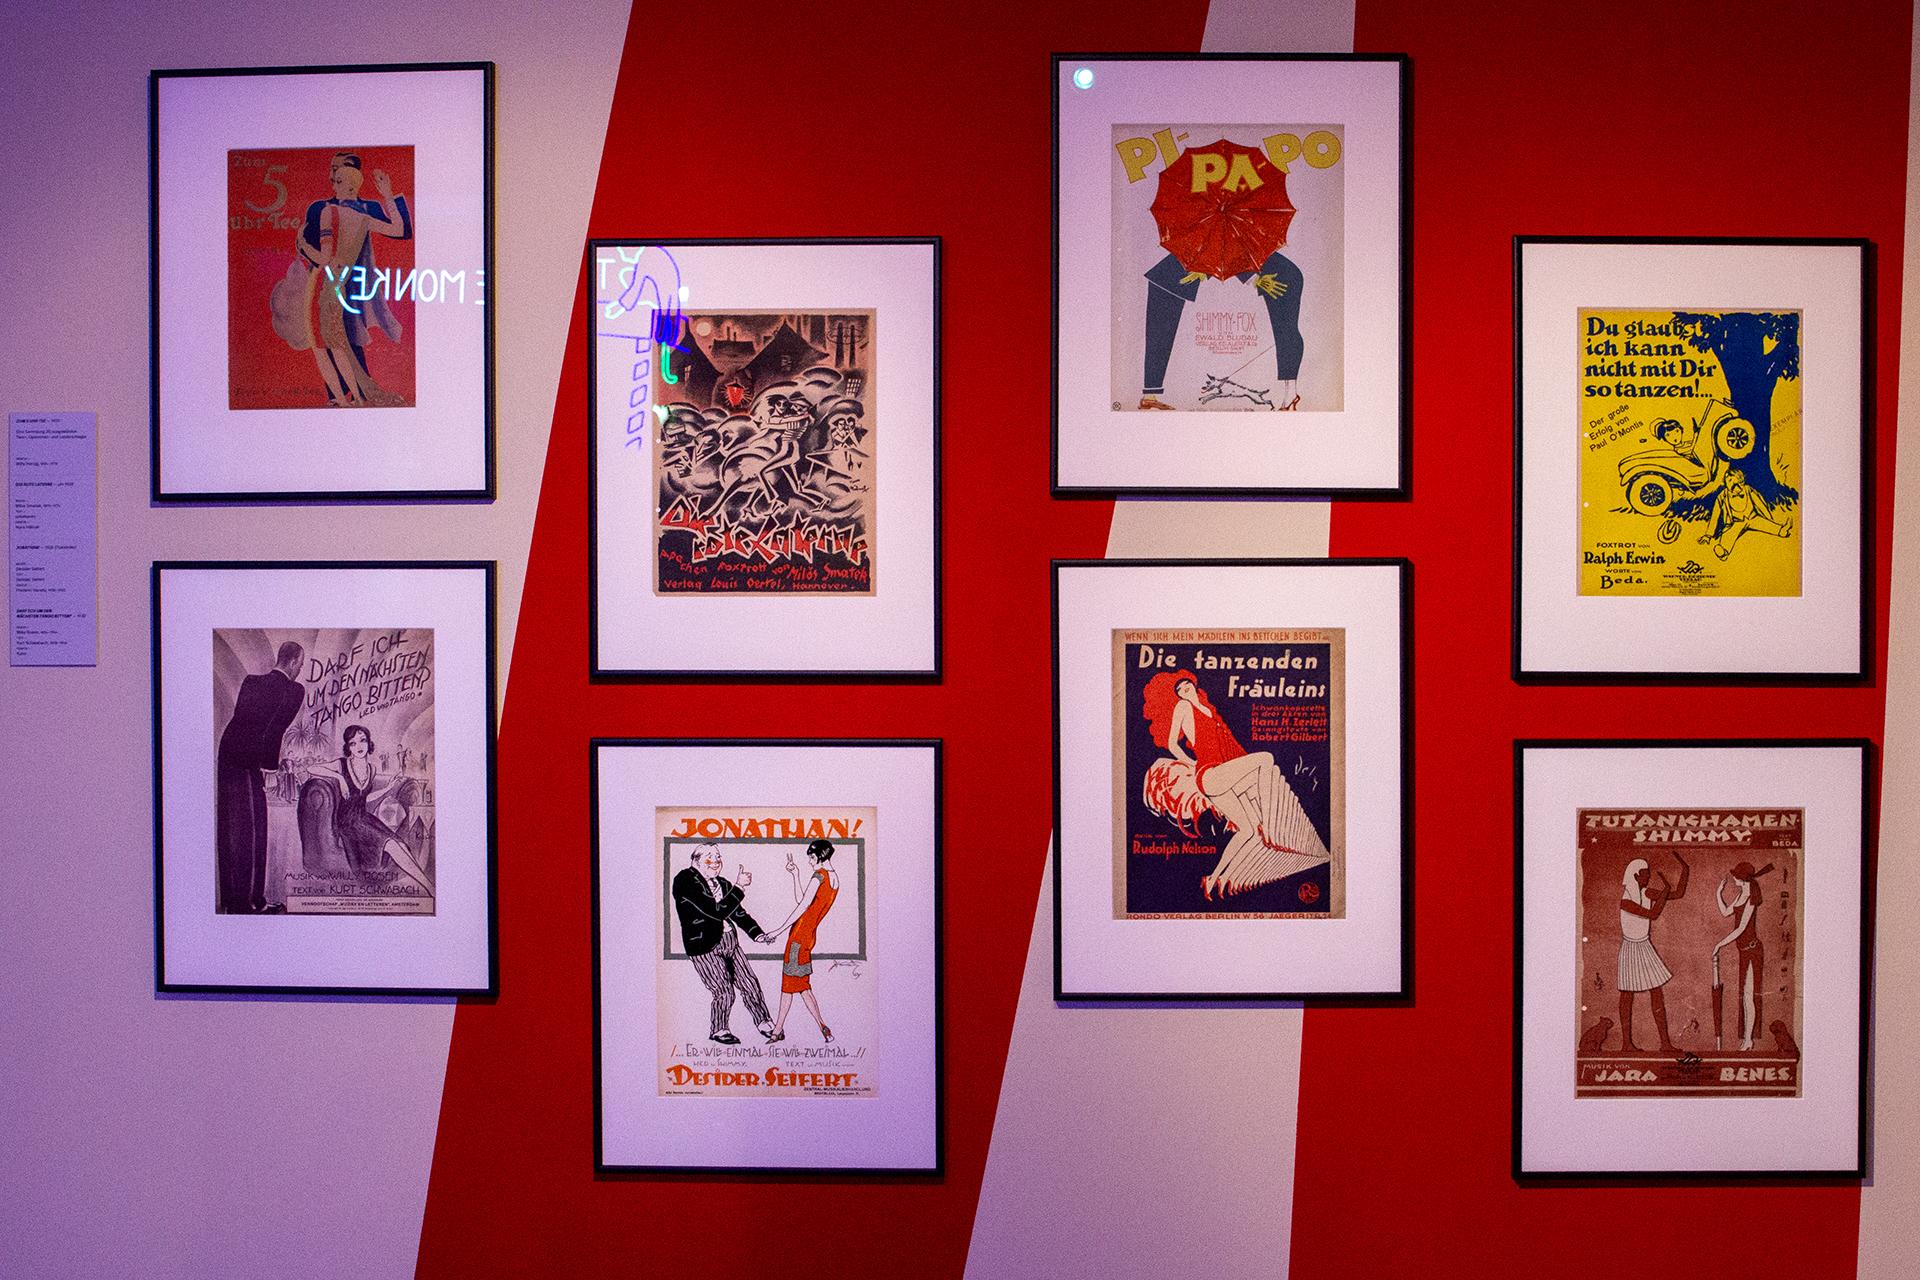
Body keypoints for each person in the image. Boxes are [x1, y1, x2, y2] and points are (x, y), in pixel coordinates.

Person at [1140, 669, 1329, 899]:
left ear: (1195, 686)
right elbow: (1172, 744)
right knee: (1265, 758)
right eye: (1179, 689)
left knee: (1249, 831)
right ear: (1178, 695)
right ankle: (1272, 828)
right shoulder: (1183, 707)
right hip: (1209, 775)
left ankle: (1214, 878)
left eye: (1187, 684)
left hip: (1221, 776)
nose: (1183, 689)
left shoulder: (1208, 711)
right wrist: (1193, 763)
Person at [270, 152, 412, 407]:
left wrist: (302, 245)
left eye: (338, 176)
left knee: (333, 345)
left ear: (349, 182)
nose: (332, 181)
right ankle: (347, 398)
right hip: (339, 285)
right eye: (333, 174)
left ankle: (350, 399)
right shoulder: (344, 213)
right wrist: (388, 196)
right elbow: (398, 228)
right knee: (334, 344)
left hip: (337, 285)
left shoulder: (339, 210)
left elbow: (323, 257)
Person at [1137, 250, 1304, 411]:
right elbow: (1225, 257)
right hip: (1168, 280)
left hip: (1282, 279)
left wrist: (1252, 279)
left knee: (1285, 332)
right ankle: (1149, 395)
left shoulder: (1237, 250)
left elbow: (1230, 257)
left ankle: (1291, 395)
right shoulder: (1201, 254)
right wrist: (1207, 271)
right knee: (1158, 333)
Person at [215, 642, 307, 913]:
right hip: (248, 761)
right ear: (293, 662)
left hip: (228, 754)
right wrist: (270, 770)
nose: (300, 670)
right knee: (251, 830)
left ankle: (237, 901)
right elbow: (275, 729)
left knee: (232, 827)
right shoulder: (294, 690)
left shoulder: (251, 681)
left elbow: (245, 721)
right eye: (300, 665)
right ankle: (250, 904)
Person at [303, 725, 435, 898]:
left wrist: (388, 788)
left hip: (364, 818)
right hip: (348, 823)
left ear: (368, 743)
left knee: (401, 845)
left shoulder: (371, 769)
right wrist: (339, 777)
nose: (359, 746)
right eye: (353, 743)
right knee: (392, 845)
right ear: (348, 747)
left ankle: (428, 885)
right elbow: (311, 768)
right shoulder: (341, 764)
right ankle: (429, 888)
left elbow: (365, 799)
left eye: (362, 740)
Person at [670, 843, 775, 1045]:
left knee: (750, 984)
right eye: (710, 857)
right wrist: (740, 888)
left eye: (718, 857)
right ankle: (719, 1030)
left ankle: (764, 1023)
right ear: (696, 861)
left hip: (730, 941)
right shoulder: (685, 880)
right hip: (704, 946)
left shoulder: (723, 884)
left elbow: (738, 913)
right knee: (724, 990)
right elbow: (715, 912)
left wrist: (758, 934)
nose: (716, 861)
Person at [761, 839, 841, 1044]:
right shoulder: (834, 879)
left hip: (797, 938)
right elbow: (805, 902)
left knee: (788, 985)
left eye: (811, 858)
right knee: (803, 986)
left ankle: (777, 1030)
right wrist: (795, 875)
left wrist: (778, 931)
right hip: (808, 937)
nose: (809, 862)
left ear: (819, 856)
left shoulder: (819, 876)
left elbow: (802, 907)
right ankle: (823, 1027)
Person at [1616, 853, 1690, 1053]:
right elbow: (1653, 914)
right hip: (1631, 948)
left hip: (1644, 945)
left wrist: (1685, 870)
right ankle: (1626, 1044)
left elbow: (1678, 893)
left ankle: (1665, 1044)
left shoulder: (1647, 893)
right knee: (1627, 995)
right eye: (1645, 874)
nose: (1648, 877)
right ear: (1635, 876)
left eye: (1648, 874)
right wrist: (1664, 891)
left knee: (1656, 993)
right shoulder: (1626, 901)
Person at [1714, 860, 1773, 1050]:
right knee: (1745, 996)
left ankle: (1748, 1040)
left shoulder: (1751, 899)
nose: (1733, 878)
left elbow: (1740, 929)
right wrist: (1718, 893)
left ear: (1742, 878)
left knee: (1748, 996)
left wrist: (1720, 944)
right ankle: (1747, 1039)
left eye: (1736, 876)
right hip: (1744, 951)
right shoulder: (1741, 895)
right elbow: (1725, 913)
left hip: (1753, 951)